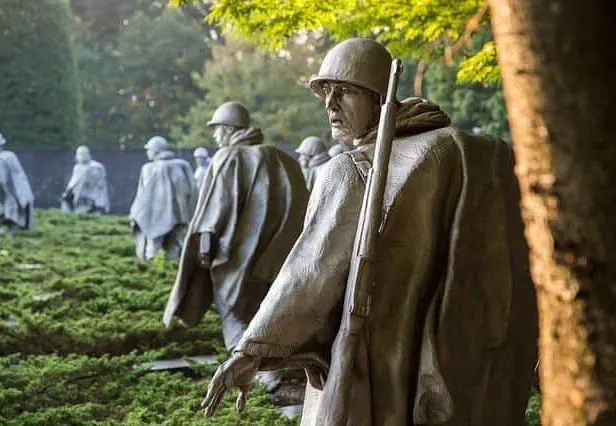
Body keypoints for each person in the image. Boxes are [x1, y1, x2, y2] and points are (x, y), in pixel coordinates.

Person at [200, 38, 538, 426]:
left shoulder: (349, 170)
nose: (330, 104)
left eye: (344, 92)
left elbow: (310, 277)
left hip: (376, 377)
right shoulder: (467, 154)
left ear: (380, 97)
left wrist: (250, 352)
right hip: (467, 372)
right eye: (326, 92)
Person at [163, 101, 309, 392]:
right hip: (274, 260)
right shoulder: (280, 158)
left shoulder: (227, 158)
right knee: (265, 313)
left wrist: (204, 247)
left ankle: (262, 373)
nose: (216, 137)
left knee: (233, 315)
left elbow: (214, 210)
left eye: (218, 130)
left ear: (230, 129)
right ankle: (277, 366)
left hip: (233, 260)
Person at [129, 136, 196, 261]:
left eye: (149, 150)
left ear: (155, 150)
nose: (147, 152)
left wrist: (135, 214)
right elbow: (190, 192)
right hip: (179, 217)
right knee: (175, 249)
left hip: (155, 218)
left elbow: (142, 197)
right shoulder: (182, 166)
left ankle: (153, 272)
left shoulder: (149, 169)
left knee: (152, 251)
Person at [0, 130, 34, 241]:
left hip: (7, 190)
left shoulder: (7, 156)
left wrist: (22, 192)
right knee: (1, 212)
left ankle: (5, 235)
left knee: (9, 212)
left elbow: (17, 175)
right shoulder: (7, 157)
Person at [61, 145, 110, 215]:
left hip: (93, 201)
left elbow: (98, 185)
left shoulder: (96, 167)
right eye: (79, 154)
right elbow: (72, 184)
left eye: (83, 153)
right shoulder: (78, 168)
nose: (81, 156)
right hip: (79, 201)